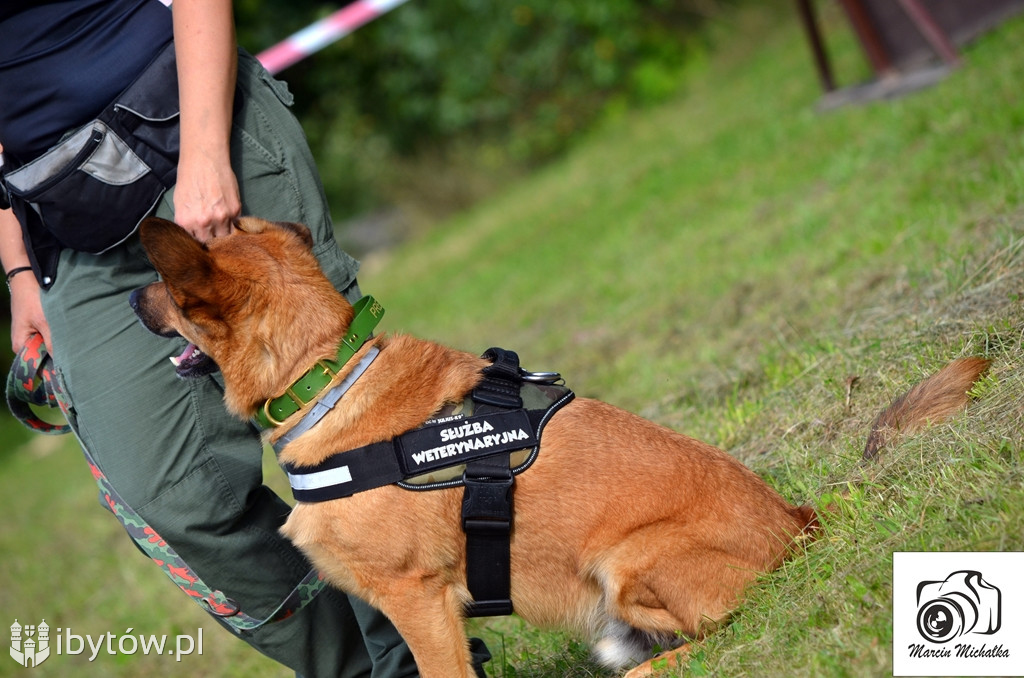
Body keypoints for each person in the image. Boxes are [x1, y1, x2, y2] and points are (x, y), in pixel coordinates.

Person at [0, 2, 489, 676]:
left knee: (350, 444)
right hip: (60, 220)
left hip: (195, 126)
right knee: (175, 498)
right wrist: (18, 267)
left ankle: (418, 658)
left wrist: (204, 154)